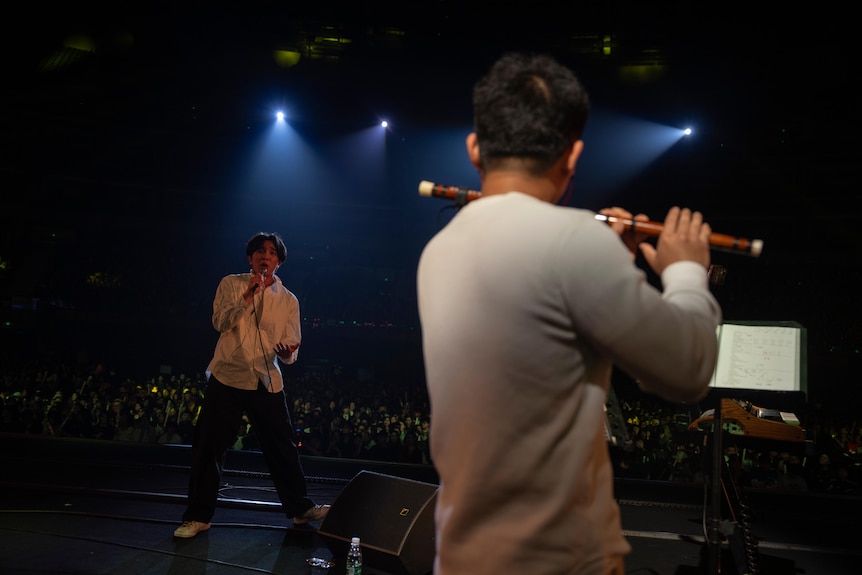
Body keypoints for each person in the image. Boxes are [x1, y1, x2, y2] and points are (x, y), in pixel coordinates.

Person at [416, 53, 722, 574]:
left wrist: (612, 266)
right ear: (573, 155)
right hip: (558, 557)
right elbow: (687, 368)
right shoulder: (576, 242)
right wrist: (686, 272)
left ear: (474, 149)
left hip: (463, 553)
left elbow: (545, 332)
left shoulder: (439, 249)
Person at [173, 232, 329, 538]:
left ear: (279, 262)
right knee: (209, 448)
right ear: (250, 258)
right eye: (260, 251)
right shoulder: (231, 284)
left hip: (265, 380)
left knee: (282, 448)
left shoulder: (289, 301)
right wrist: (248, 296)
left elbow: (293, 348)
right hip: (228, 376)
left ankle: (300, 509)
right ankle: (198, 517)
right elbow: (219, 323)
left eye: (272, 252)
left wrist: (287, 353)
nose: (265, 256)